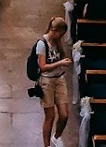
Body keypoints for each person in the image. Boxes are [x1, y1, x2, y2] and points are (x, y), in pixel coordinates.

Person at [31, 16, 74, 147]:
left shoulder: (58, 42)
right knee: (50, 117)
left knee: (64, 115)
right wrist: (60, 62)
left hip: (59, 79)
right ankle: (47, 145)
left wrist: (63, 63)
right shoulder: (41, 44)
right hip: (47, 82)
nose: (61, 37)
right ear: (54, 31)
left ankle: (56, 136)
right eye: (60, 34)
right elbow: (43, 66)